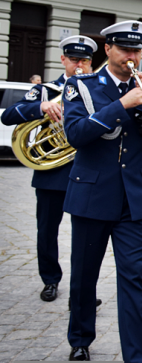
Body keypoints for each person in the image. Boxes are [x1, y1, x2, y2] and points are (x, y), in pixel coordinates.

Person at [62, 21, 142, 363]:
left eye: (138, 50)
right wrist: (122, 104)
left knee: (133, 279)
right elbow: (77, 134)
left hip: (134, 200)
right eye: (126, 50)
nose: (132, 57)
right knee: (84, 276)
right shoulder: (81, 86)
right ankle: (80, 340)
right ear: (107, 49)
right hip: (92, 196)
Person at [1, 36, 95, 302]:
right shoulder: (46, 89)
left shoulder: (97, 92)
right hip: (52, 174)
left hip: (87, 171)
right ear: (63, 59)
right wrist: (40, 106)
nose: (80, 65)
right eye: (75, 59)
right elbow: (8, 115)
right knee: (47, 230)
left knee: (87, 236)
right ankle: (50, 280)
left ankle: (83, 288)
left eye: (85, 60)